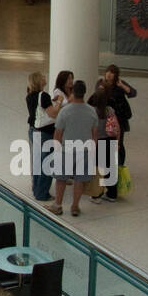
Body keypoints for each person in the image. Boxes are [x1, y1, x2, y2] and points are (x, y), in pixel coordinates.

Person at [52, 80, 98, 217]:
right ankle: (75, 206)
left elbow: (58, 134)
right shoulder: (91, 111)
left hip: (66, 150)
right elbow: (94, 135)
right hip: (84, 151)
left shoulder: (65, 111)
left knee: (61, 179)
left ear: (72, 92)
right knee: (79, 180)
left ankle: (58, 205)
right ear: (84, 93)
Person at [26, 71, 61, 202]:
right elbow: (53, 113)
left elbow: (39, 109)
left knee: (36, 160)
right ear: (38, 81)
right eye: (42, 77)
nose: (45, 77)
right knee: (47, 162)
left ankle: (36, 188)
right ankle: (43, 192)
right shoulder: (44, 95)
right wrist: (59, 102)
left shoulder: (29, 96)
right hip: (45, 132)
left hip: (33, 130)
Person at [100, 63, 136, 169]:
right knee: (108, 141)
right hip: (107, 117)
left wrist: (122, 86)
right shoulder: (101, 83)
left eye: (112, 72)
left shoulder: (119, 84)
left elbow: (132, 93)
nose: (109, 74)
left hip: (120, 117)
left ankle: (119, 165)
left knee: (119, 142)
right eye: (108, 72)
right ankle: (109, 164)